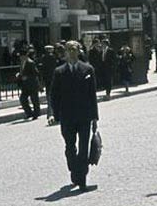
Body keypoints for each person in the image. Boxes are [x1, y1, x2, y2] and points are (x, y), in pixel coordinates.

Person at [51, 41, 99, 192]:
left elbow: (92, 95)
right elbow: (54, 95)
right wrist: (56, 114)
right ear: (65, 52)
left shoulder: (88, 69)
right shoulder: (59, 72)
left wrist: (95, 117)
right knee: (70, 147)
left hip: (84, 116)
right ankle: (73, 169)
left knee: (84, 147)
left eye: (74, 49)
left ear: (79, 51)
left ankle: (82, 178)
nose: (72, 52)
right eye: (69, 49)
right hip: (67, 116)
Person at [17, 49, 41, 119]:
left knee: (34, 100)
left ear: (25, 56)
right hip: (25, 85)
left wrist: (27, 77)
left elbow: (36, 73)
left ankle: (36, 114)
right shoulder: (21, 63)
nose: (20, 58)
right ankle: (29, 113)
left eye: (21, 56)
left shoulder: (30, 62)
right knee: (23, 99)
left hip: (32, 84)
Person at [39, 45, 59, 124]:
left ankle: (49, 114)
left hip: (47, 80)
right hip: (53, 79)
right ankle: (52, 113)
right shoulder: (53, 57)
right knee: (53, 97)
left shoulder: (43, 58)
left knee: (49, 97)